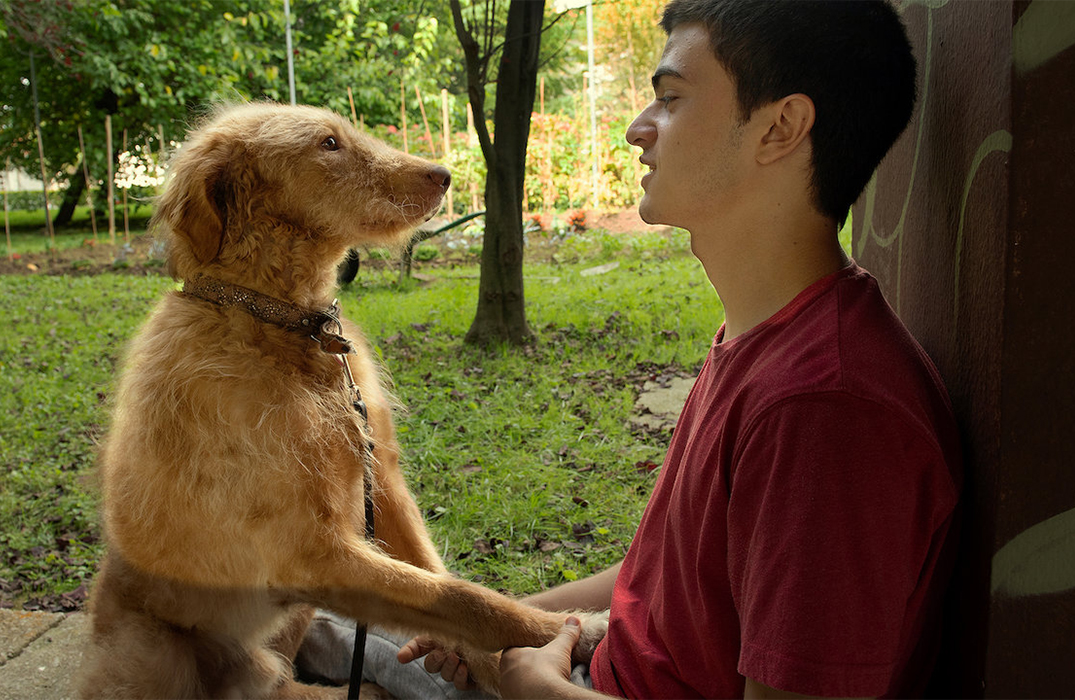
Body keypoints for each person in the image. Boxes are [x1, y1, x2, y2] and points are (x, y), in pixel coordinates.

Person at [400, 0, 962, 698]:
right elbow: (665, 580)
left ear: (780, 128)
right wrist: (495, 622)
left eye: (670, 99)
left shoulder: (825, 409)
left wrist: (540, 692)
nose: (638, 129)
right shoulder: (766, 336)